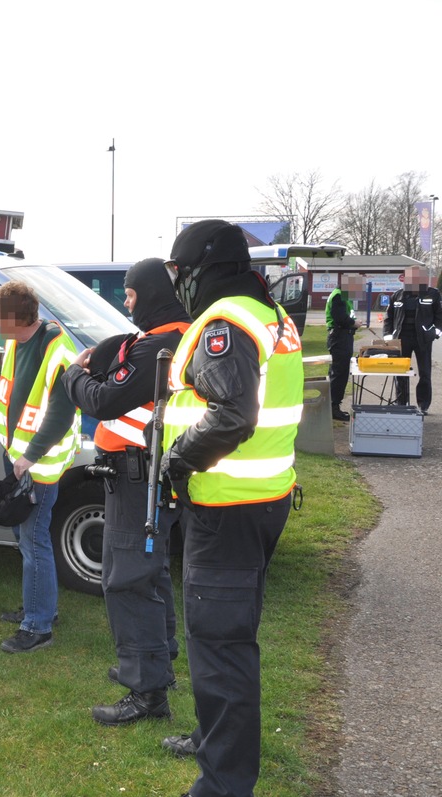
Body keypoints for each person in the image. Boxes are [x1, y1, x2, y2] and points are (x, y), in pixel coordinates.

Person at [160, 220, 303, 797]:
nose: (177, 283)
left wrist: (176, 459)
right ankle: (212, 737)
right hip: (262, 501)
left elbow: (234, 416)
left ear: (202, 269)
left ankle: (222, 786)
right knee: (229, 640)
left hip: (228, 507)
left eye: (178, 272)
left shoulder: (227, 321)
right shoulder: (270, 314)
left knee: (220, 649)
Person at [62, 257, 188, 722]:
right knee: (148, 574)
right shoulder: (176, 335)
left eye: (131, 295)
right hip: (148, 474)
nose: (127, 304)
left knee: (127, 580)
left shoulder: (158, 346)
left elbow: (105, 399)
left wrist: (74, 374)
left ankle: (147, 692)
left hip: (140, 477)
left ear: (150, 293)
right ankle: (156, 663)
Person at [0, 281, 79, 652]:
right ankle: (40, 606)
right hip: (19, 458)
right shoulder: (17, 342)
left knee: (33, 541)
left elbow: (60, 414)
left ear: (15, 317)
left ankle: (38, 626)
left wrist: (28, 458)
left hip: (38, 464)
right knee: (24, 539)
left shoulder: (56, 348)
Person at [382, 265, 442, 413]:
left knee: (425, 373)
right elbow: (388, 317)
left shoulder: (433, 294)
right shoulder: (397, 295)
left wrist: (434, 333)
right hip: (402, 339)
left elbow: (439, 316)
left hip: (423, 339)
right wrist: (388, 336)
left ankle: (423, 405)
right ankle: (402, 404)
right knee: (401, 372)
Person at [326, 273, 365, 421]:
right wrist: (353, 323)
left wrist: (353, 322)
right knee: (339, 373)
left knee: (339, 372)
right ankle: (333, 407)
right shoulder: (339, 296)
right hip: (340, 337)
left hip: (342, 336)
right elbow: (340, 318)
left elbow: (345, 316)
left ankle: (333, 405)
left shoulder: (342, 296)